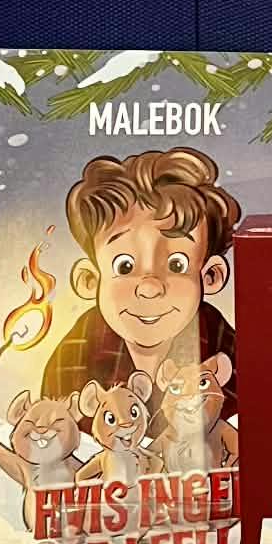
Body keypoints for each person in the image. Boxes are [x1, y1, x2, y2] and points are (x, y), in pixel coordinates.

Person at [39, 147, 240, 407]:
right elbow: (55, 424)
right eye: (124, 267)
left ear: (211, 276)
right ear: (90, 280)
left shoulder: (224, 347)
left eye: (176, 264)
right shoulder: (77, 354)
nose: (149, 287)